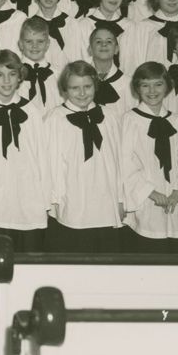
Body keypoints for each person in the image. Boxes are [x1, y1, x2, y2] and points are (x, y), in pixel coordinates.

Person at [119, 61, 178, 252]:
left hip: (177, 202)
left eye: (158, 84)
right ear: (137, 88)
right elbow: (125, 163)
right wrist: (151, 192)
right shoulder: (130, 120)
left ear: (167, 86)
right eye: (145, 85)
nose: (152, 91)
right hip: (146, 202)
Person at [0, 49, 49, 256]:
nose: (6, 81)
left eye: (12, 74)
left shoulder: (31, 110)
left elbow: (42, 156)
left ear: (20, 77)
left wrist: (45, 198)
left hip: (29, 200)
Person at [44, 61, 124, 253]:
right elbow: (51, 164)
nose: (82, 93)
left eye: (87, 87)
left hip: (106, 200)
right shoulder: (55, 118)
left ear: (95, 86)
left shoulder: (110, 116)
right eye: (75, 88)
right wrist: (54, 201)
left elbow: (119, 161)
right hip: (73, 200)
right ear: (64, 89)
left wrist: (121, 199)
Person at [16, 16, 62, 115]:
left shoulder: (58, 75)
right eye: (29, 41)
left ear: (47, 44)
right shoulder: (13, 75)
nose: (34, 46)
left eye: (40, 41)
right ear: (20, 44)